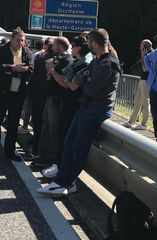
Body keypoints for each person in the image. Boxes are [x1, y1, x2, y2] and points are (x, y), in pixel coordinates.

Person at [37, 28, 121, 197]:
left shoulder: (108, 63)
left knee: (78, 148)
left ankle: (66, 182)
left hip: (96, 110)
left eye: (89, 42)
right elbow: (75, 81)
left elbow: (89, 87)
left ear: (95, 43)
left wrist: (83, 79)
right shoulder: (97, 61)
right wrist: (83, 78)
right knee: (69, 144)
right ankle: (62, 181)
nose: (87, 45)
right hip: (85, 108)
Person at [41, 35, 90, 179]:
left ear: (79, 48)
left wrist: (53, 71)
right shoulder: (77, 62)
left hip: (73, 103)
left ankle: (60, 166)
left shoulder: (83, 64)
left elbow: (68, 83)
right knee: (62, 134)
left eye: (74, 45)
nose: (71, 48)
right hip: (69, 102)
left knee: (64, 136)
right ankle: (58, 164)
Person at [0, 27, 33, 161]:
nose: (20, 43)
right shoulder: (1, 51)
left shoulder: (26, 52)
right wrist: (14, 68)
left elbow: (30, 70)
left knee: (13, 125)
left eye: (22, 41)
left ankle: (10, 151)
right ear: (11, 39)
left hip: (17, 95)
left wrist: (12, 71)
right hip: (1, 93)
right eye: (18, 40)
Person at [33, 37, 73, 168]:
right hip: (50, 97)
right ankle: (42, 155)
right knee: (46, 128)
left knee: (53, 130)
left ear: (60, 46)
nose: (52, 47)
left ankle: (50, 158)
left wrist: (52, 70)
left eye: (55, 44)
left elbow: (64, 82)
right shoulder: (59, 58)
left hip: (57, 99)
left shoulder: (67, 60)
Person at [27, 37, 54, 158]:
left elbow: (34, 77)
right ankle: (39, 149)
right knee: (43, 125)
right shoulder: (55, 59)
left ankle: (36, 150)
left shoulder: (42, 59)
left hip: (39, 96)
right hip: (47, 97)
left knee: (38, 124)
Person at [123, 39, 153, 130]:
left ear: (145, 47)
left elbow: (145, 69)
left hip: (147, 81)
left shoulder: (150, 55)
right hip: (143, 80)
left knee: (145, 102)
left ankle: (144, 124)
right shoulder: (148, 53)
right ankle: (131, 121)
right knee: (137, 100)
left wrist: (143, 56)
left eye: (141, 45)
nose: (139, 47)